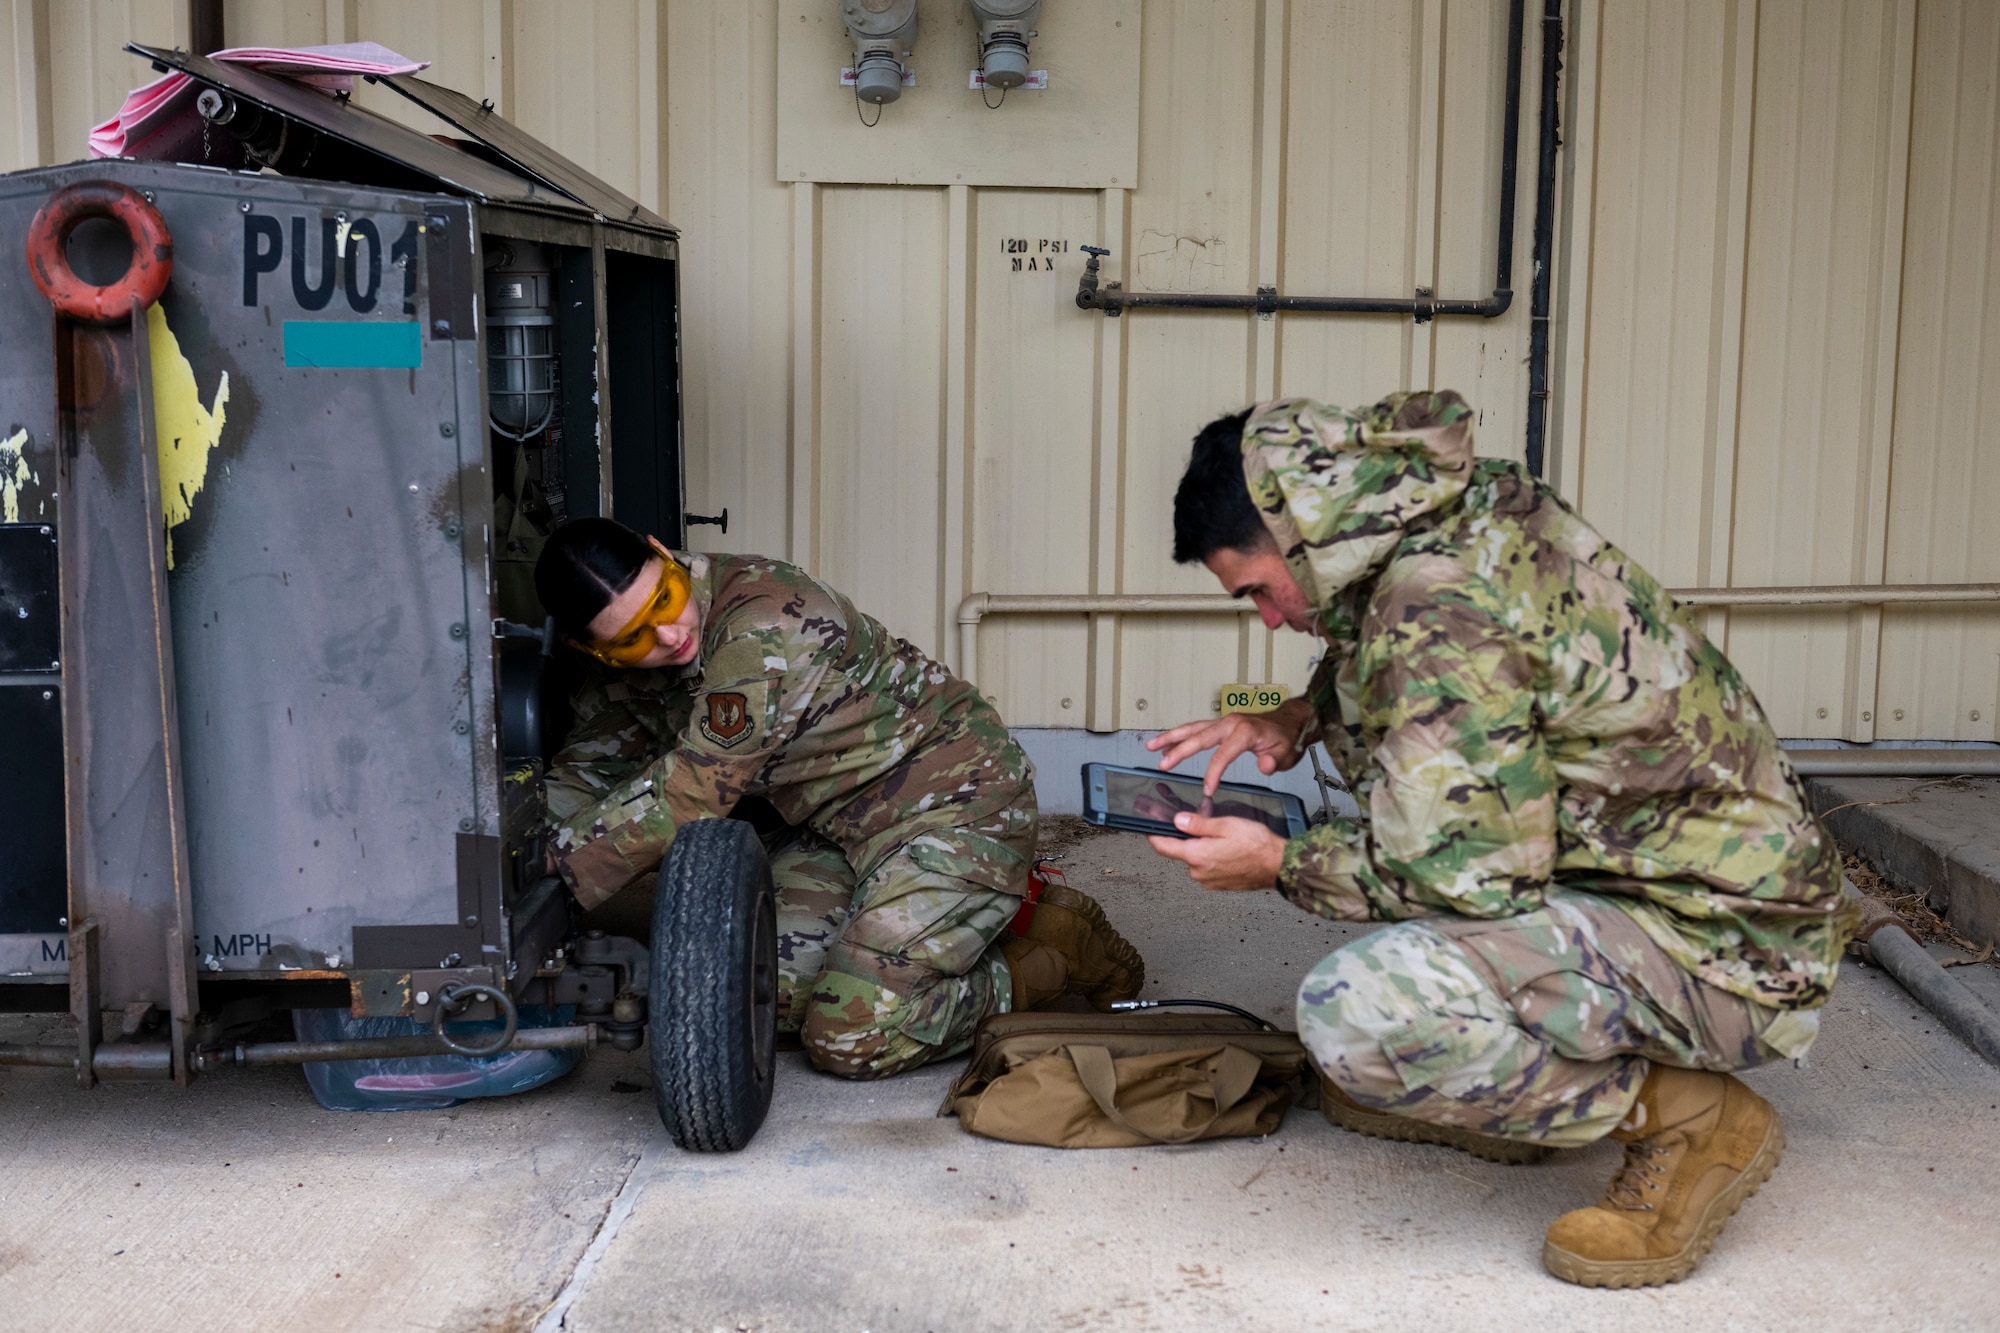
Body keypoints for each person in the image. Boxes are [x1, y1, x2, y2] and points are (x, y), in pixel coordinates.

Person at [1144, 391, 1853, 1288]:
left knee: (1365, 1011)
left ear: (1302, 532)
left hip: (1725, 951)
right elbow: (1390, 654)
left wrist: (1276, 861)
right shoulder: (1450, 510)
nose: (1271, 620)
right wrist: (1286, 715)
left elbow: (1456, 876)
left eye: (1258, 591)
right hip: (1722, 889)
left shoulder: (1432, 604)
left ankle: (1690, 1119)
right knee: (1408, 909)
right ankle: (1526, 1086)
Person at [530, 519, 1142, 1080]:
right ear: (594, 651)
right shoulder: (625, 665)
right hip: (835, 828)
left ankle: (1053, 952)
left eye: (665, 597)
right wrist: (505, 852)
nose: (670, 633)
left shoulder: (762, 626)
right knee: (750, 989)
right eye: (635, 637)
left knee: (853, 1032)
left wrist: (556, 866)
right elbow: (591, 768)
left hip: (954, 804)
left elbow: (692, 792)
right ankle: (956, 928)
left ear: (664, 555)